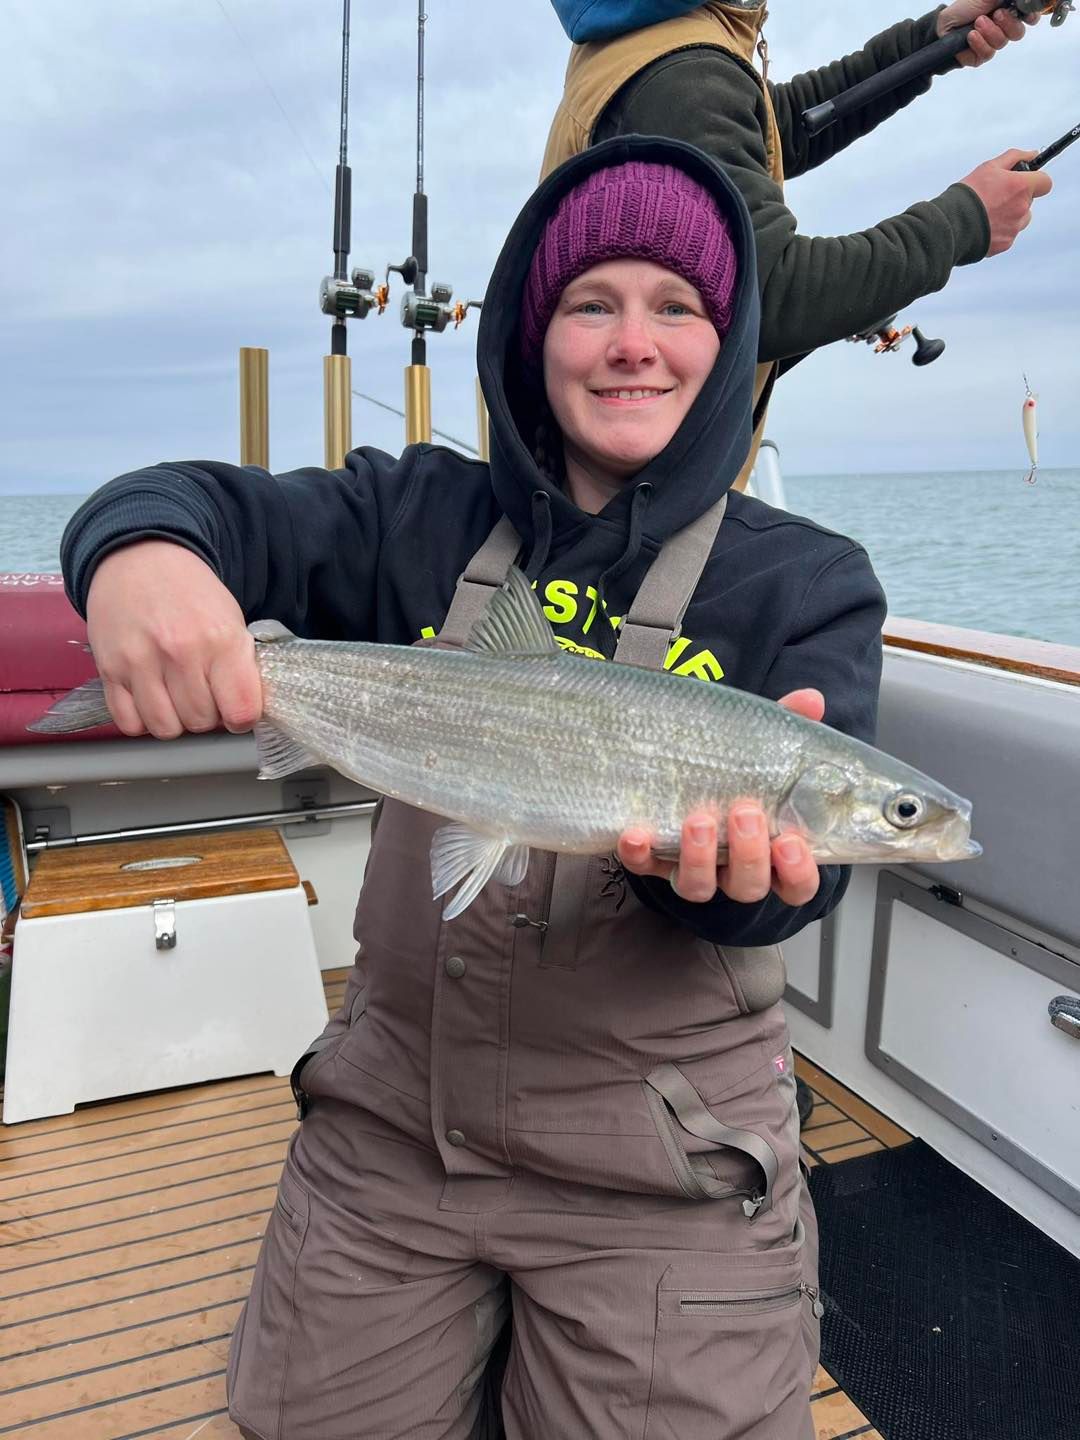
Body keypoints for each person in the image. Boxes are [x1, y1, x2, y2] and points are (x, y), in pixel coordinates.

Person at [59, 136, 886, 1438]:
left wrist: (734, 891)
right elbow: (199, 504)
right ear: (528, 331)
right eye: (589, 303)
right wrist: (140, 554)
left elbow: (797, 888)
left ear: (731, 347)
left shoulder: (806, 584)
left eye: (679, 307)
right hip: (392, 1130)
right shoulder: (420, 517)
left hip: (662, 1165)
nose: (634, 342)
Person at [543, 0, 1055, 487]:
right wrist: (964, 221)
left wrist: (929, 43)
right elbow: (771, 294)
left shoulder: (645, 40)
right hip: (633, 509)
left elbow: (768, 130)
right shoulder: (680, 79)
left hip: (605, 479)